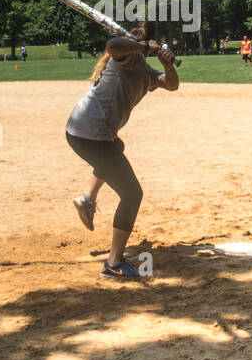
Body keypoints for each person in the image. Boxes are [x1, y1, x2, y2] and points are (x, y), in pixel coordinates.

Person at [67, 22, 180, 278]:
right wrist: (142, 46)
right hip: (91, 136)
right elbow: (112, 46)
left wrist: (168, 65)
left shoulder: (144, 69)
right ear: (144, 42)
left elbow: (172, 84)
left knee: (117, 147)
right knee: (132, 194)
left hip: (88, 133)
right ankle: (114, 263)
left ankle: (88, 199)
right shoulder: (124, 58)